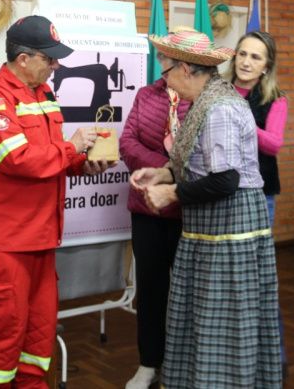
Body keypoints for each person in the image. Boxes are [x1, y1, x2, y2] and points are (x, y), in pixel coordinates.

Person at [0, 15, 114, 388]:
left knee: (38, 340)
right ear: (23, 59)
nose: (55, 66)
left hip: (42, 237)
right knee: (1, 345)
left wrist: (85, 163)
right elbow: (16, 159)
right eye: (49, 59)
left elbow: (52, 157)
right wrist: (72, 148)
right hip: (8, 241)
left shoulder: (43, 94)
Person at [131, 27, 281, 388]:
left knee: (222, 319)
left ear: (185, 69)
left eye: (166, 70)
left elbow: (225, 180)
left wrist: (172, 194)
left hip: (230, 229)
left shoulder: (220, 109)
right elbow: (200, 162)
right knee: (203, 315)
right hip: (211, 227)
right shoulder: (207, 101)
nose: (163, 79)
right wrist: (164, 172)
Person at [119, 76, 187, 389]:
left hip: (189, 210)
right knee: (150, 290)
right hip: (146, 208)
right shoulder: (147, 94)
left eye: (171, 59)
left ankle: (184, 364)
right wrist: (166, 170)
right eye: (162, 57)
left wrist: (175, 176)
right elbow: (127, 142)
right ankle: (149, 363)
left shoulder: (202, 98)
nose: (165, 64)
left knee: (189, 292)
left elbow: (202, 154)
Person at [227, 30, 288, 367]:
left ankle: (272, 360)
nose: (247, 62)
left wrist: (239, 114)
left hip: (259, 196)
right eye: (243, 54)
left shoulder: (275, 98)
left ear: (266, 66)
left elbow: (274, 144)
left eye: (256, 57)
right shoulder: (217, 90)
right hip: (220, 194)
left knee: (259, 279)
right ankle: (234, 356)